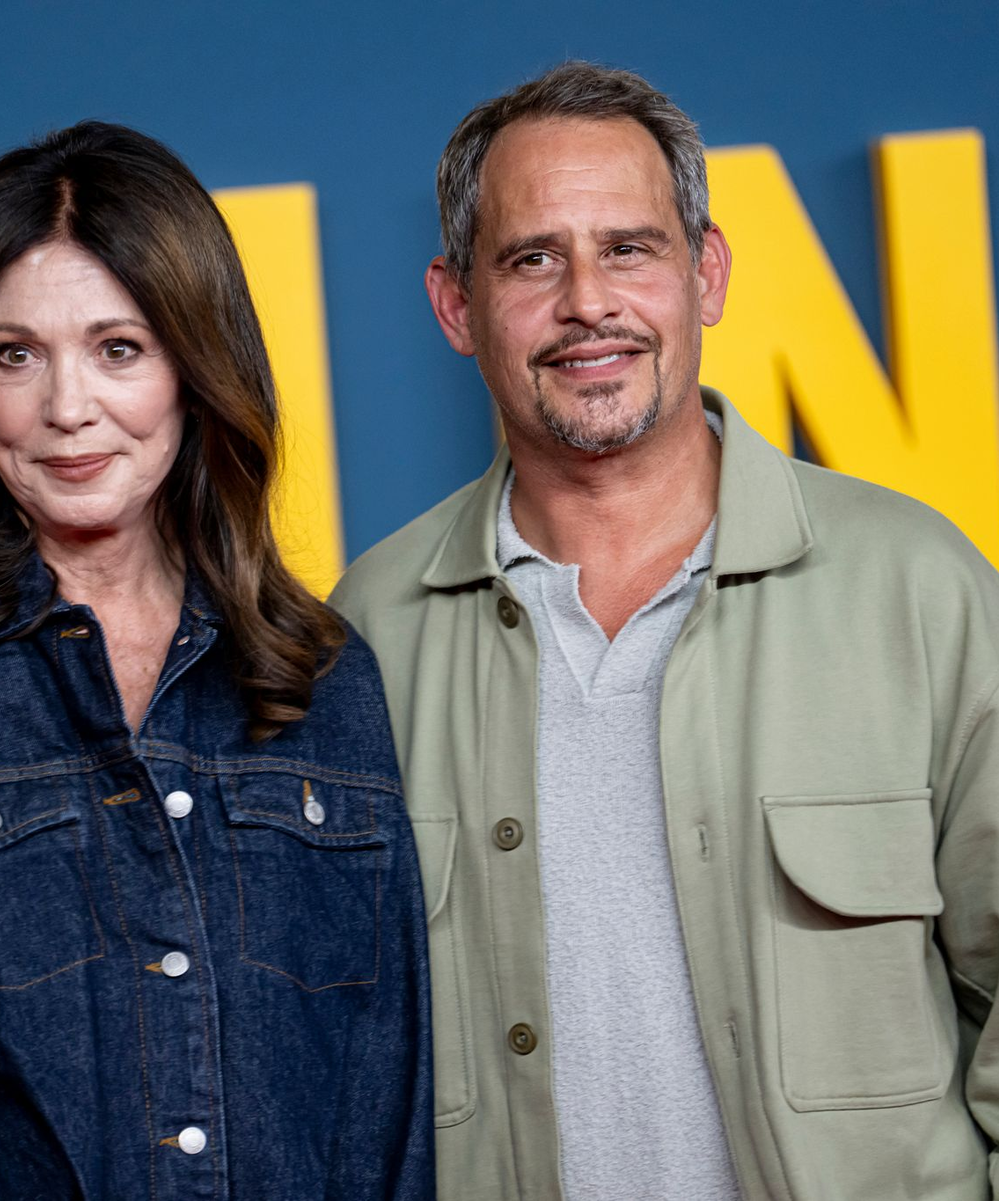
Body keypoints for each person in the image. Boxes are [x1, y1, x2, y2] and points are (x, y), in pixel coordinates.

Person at [331, 61, 999, 1201]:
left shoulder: (917, 585)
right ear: (456, 305)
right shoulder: (367, 635)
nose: (588, 299)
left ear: (708, 273)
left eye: (630, 248)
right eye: (533, 258)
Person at [0, 121, 433, 1200]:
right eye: (15, 355)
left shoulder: (323, 678)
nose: (66, 408)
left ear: (195, 366)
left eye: (118, 348)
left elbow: (389, 1110)